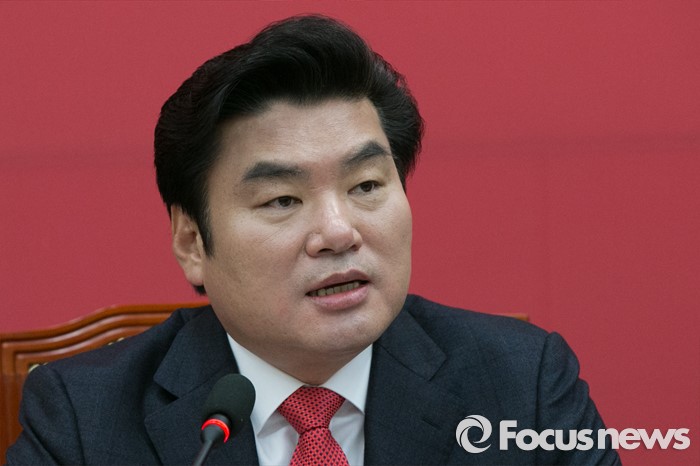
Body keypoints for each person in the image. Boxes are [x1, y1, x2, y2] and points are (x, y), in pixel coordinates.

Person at [6, 15, 620, 465]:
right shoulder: (85, 418)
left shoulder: (521, 385)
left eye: (366, 185)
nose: (338, 232)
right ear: (192, 242)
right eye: (282, 200)